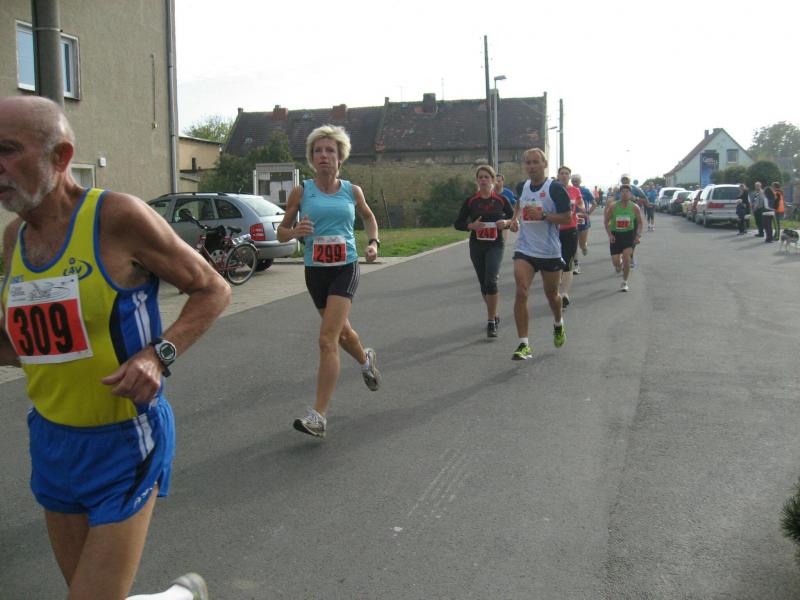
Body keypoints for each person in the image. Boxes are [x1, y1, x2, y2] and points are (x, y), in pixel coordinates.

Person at [0, 96, 229, 600]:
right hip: (52, 440)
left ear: (60, 156)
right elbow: (23, 347)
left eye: (8, 150)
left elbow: (213, 288)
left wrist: (157, 355)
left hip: (124, 438)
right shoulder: (14, 239)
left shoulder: (116, 217)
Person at [277, 125, 381, 438]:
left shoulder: (352, 190)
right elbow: (281, 231)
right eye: (318, 151)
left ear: (340, 157)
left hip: (345, 267)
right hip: (316, 271)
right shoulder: (301, 191)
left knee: (327, 339)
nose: (324, 156)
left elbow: (368, 217)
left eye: (330, 151)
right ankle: (365, 360)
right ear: (312, 158)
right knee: (343, 333)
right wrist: (295, 232)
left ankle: (319, 417)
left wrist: (373, 242)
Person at [508, 148, 572, 360]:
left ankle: (558, 323)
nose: (531, 166)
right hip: (525, 249)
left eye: (536, 162)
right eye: (528, 162)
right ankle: (524, 344)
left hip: (549, 251)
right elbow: (518, 204)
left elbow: (567, 217)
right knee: (521, 291)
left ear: (544, 164)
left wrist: (544, 215)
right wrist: (514, 220)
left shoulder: (555, 188)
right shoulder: (522, 186)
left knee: (552, 296)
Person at [455, 165, 514, 337]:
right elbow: (458, 223)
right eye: (480, 177)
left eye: (487, 177)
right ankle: (494, 314)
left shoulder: (501, 200)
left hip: (495, 244)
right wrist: (471, 226)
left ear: (493, 180)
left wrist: (506, 223)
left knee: (491, 281)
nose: (483, 180)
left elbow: (513, 218)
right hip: (477, 245)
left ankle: (490, 321)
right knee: (483, 284)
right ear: (477, 180)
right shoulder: (471, 201)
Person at [604, 183, 643, 292]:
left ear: (631, 194)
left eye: (627, 191)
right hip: (616, 236)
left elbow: (640, 223)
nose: (625, 194)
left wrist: (638, 235)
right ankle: (619, 264)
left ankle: (625, 282)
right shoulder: (613, 206)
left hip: (629, 235)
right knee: (616, 262)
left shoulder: (634, 207)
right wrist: (610, 235)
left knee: (627, 258)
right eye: (622, 192)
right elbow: (606, 221)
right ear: (619, 194)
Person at [555, 166, 584, 307]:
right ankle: (556, 290)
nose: (564, 175)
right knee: (556, 260)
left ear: (569, 176)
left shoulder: (575, 190)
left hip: (571, 229)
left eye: (566, 173)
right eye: (562, 173)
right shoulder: (553, 189)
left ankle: (565, 294)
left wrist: (581, 208)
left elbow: (580, 203)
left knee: (568, 261)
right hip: (554, 230)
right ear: (558, 175)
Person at [571, 173, 597, 272]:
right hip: (572, 219)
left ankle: (584, 247)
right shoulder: (568, 190)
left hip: (583, 219)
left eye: (576, 181)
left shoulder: (585, 191)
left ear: (580, 181)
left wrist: (588, 212)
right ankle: (576, 265)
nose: (574, 182)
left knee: (581, 244)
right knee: (573, 244)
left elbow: (594, 203)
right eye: (573, 181)